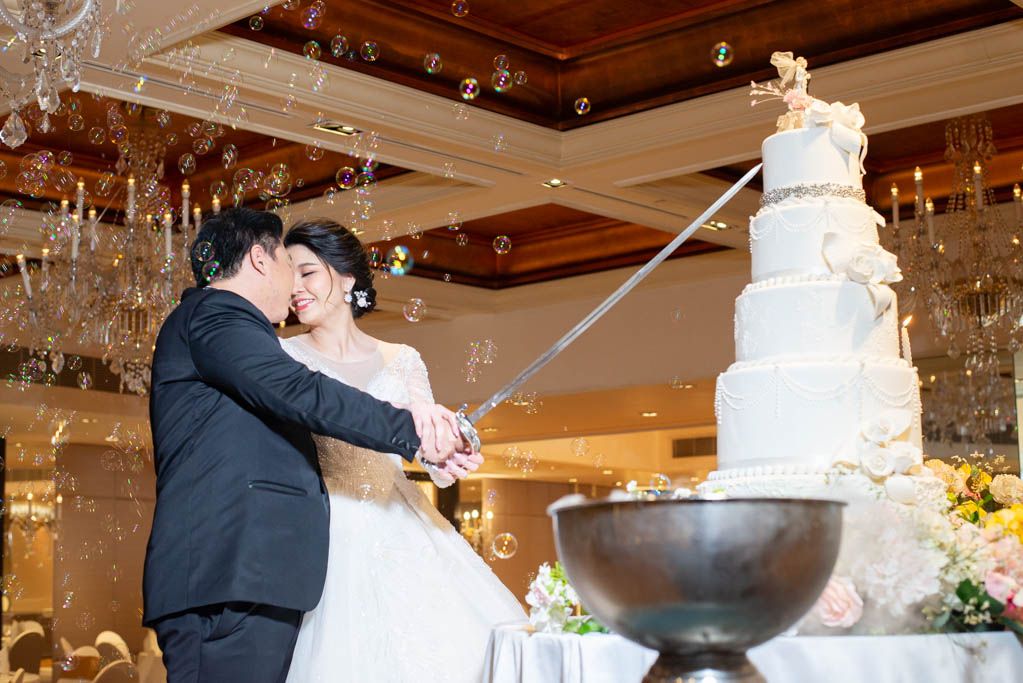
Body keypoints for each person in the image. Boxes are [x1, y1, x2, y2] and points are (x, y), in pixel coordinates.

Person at [143, 208, 481, 683]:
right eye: (288, 263)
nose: (293, 284)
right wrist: (412, 429)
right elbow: (302, 391)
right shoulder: (216, 316)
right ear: (260, 259)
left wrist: (433, 442)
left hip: (258, 576)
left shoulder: (235, 330)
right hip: (227, 579)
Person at [281, 219, 525, 683]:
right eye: (288, 274)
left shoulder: (403, 358)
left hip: (404, 526)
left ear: (347, 279)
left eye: (307, 272)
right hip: (326, 533)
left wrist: (447, 450)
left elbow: (430, 453)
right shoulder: (282, 356)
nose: (295, 288)